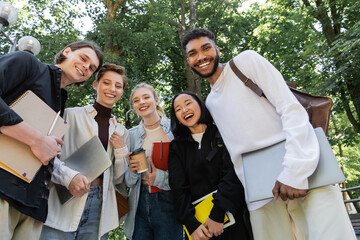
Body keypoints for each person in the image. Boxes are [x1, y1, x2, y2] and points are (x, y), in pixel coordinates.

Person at [181, 28, 356, 240]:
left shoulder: (246, 62)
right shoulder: (210, 103)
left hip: (305, 176)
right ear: (188, 61)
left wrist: (295, 172)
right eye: (192, 54)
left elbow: (291, 110)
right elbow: (237, 156)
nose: (200, 57)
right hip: (261, 198)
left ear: (217, 49)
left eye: (206, 48)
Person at [0, 41, 103, 240]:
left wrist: (69, 176)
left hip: (33, 208)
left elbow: (43, 154)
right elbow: (37, 144)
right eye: (83, 58)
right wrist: (36, 139)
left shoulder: (61, 107)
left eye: (92, 68)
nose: (86, 67)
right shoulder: (28, 63)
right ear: (66, 52)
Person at [39, 64, 130, 240]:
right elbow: (47, 153)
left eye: (118, 86)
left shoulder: (121, 130)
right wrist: (69, 177)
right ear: (96, 85)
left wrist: (120, 151)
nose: (112, 89)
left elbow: (118, 178)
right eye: (107, 83)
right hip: (62, 197)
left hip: (101, 203)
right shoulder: (70, 115)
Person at [168, 91, 254, 240]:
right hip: (199, 229)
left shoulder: (222, 132)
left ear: (200, 106)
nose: (184, 110)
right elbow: (178, 188)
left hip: (231, 218)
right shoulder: (177, 147)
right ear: (177, 119)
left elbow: (233, 174)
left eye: (188, 103)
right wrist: (191, 224)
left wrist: (218, 214)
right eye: (178, 109)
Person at [124, 83, 183, 240]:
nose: (141, 102)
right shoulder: (130, 135)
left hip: (169, 200)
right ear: (134, 106)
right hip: (138, 203)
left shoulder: (176, 129)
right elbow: (128, 183)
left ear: (156, 100)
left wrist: (158, 178)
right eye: (136, 100)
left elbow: (187, 173)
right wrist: (131, 170)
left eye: (146, 97)